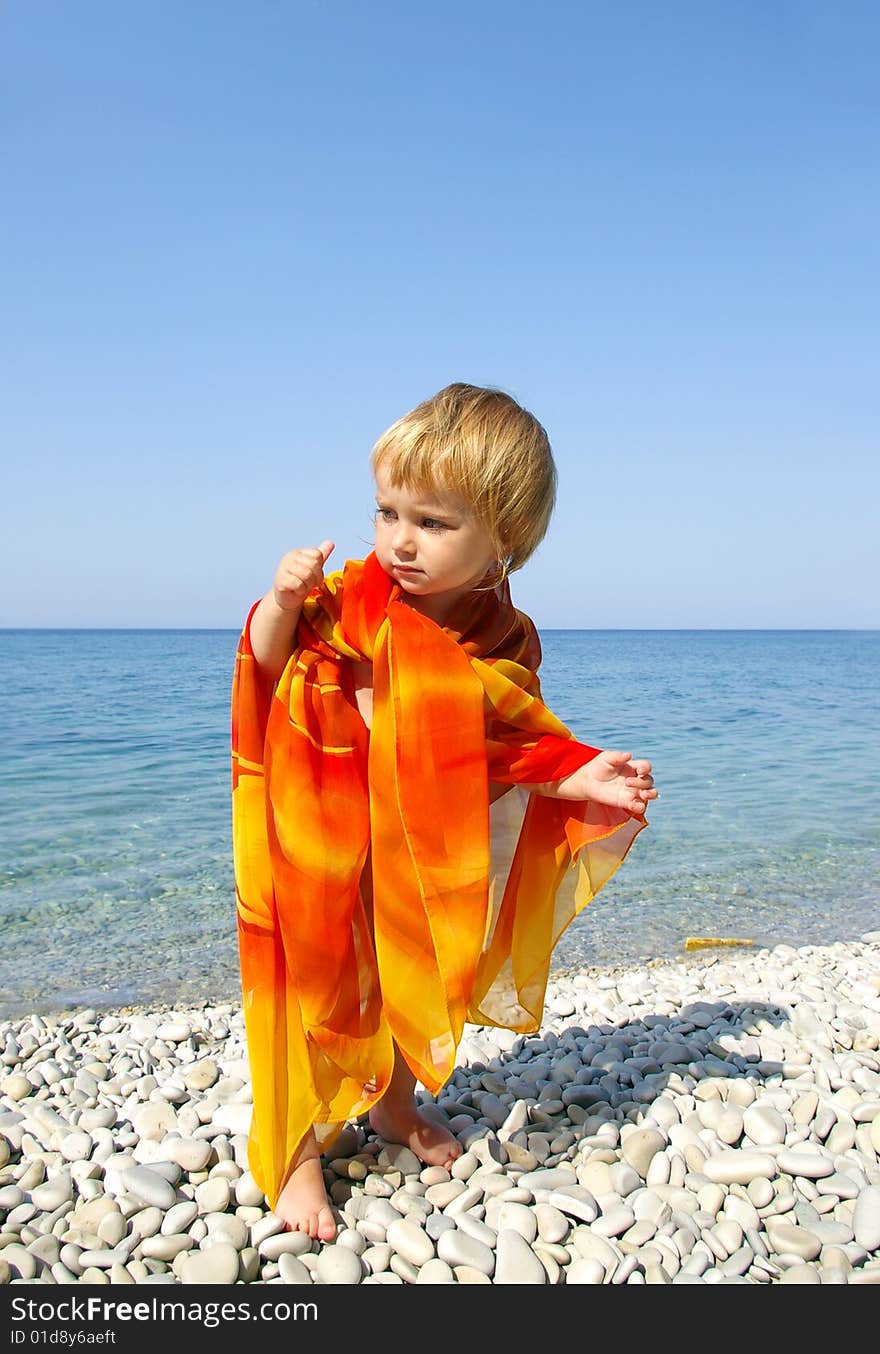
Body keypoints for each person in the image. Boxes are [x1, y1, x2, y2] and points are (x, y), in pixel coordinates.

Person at [231, 382, 657, 1242]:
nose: (399, 541)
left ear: (505, 542)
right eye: (388, 512)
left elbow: (500, 738)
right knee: (308, 976)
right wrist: (279, 603)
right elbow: (265, 663)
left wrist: (579, 775)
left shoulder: (506, 638)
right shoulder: (345, 599)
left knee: (399, 974)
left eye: (433, 522)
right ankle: (295, 1152)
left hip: (410, 843)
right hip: (315, 828)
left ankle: (392, 1105)